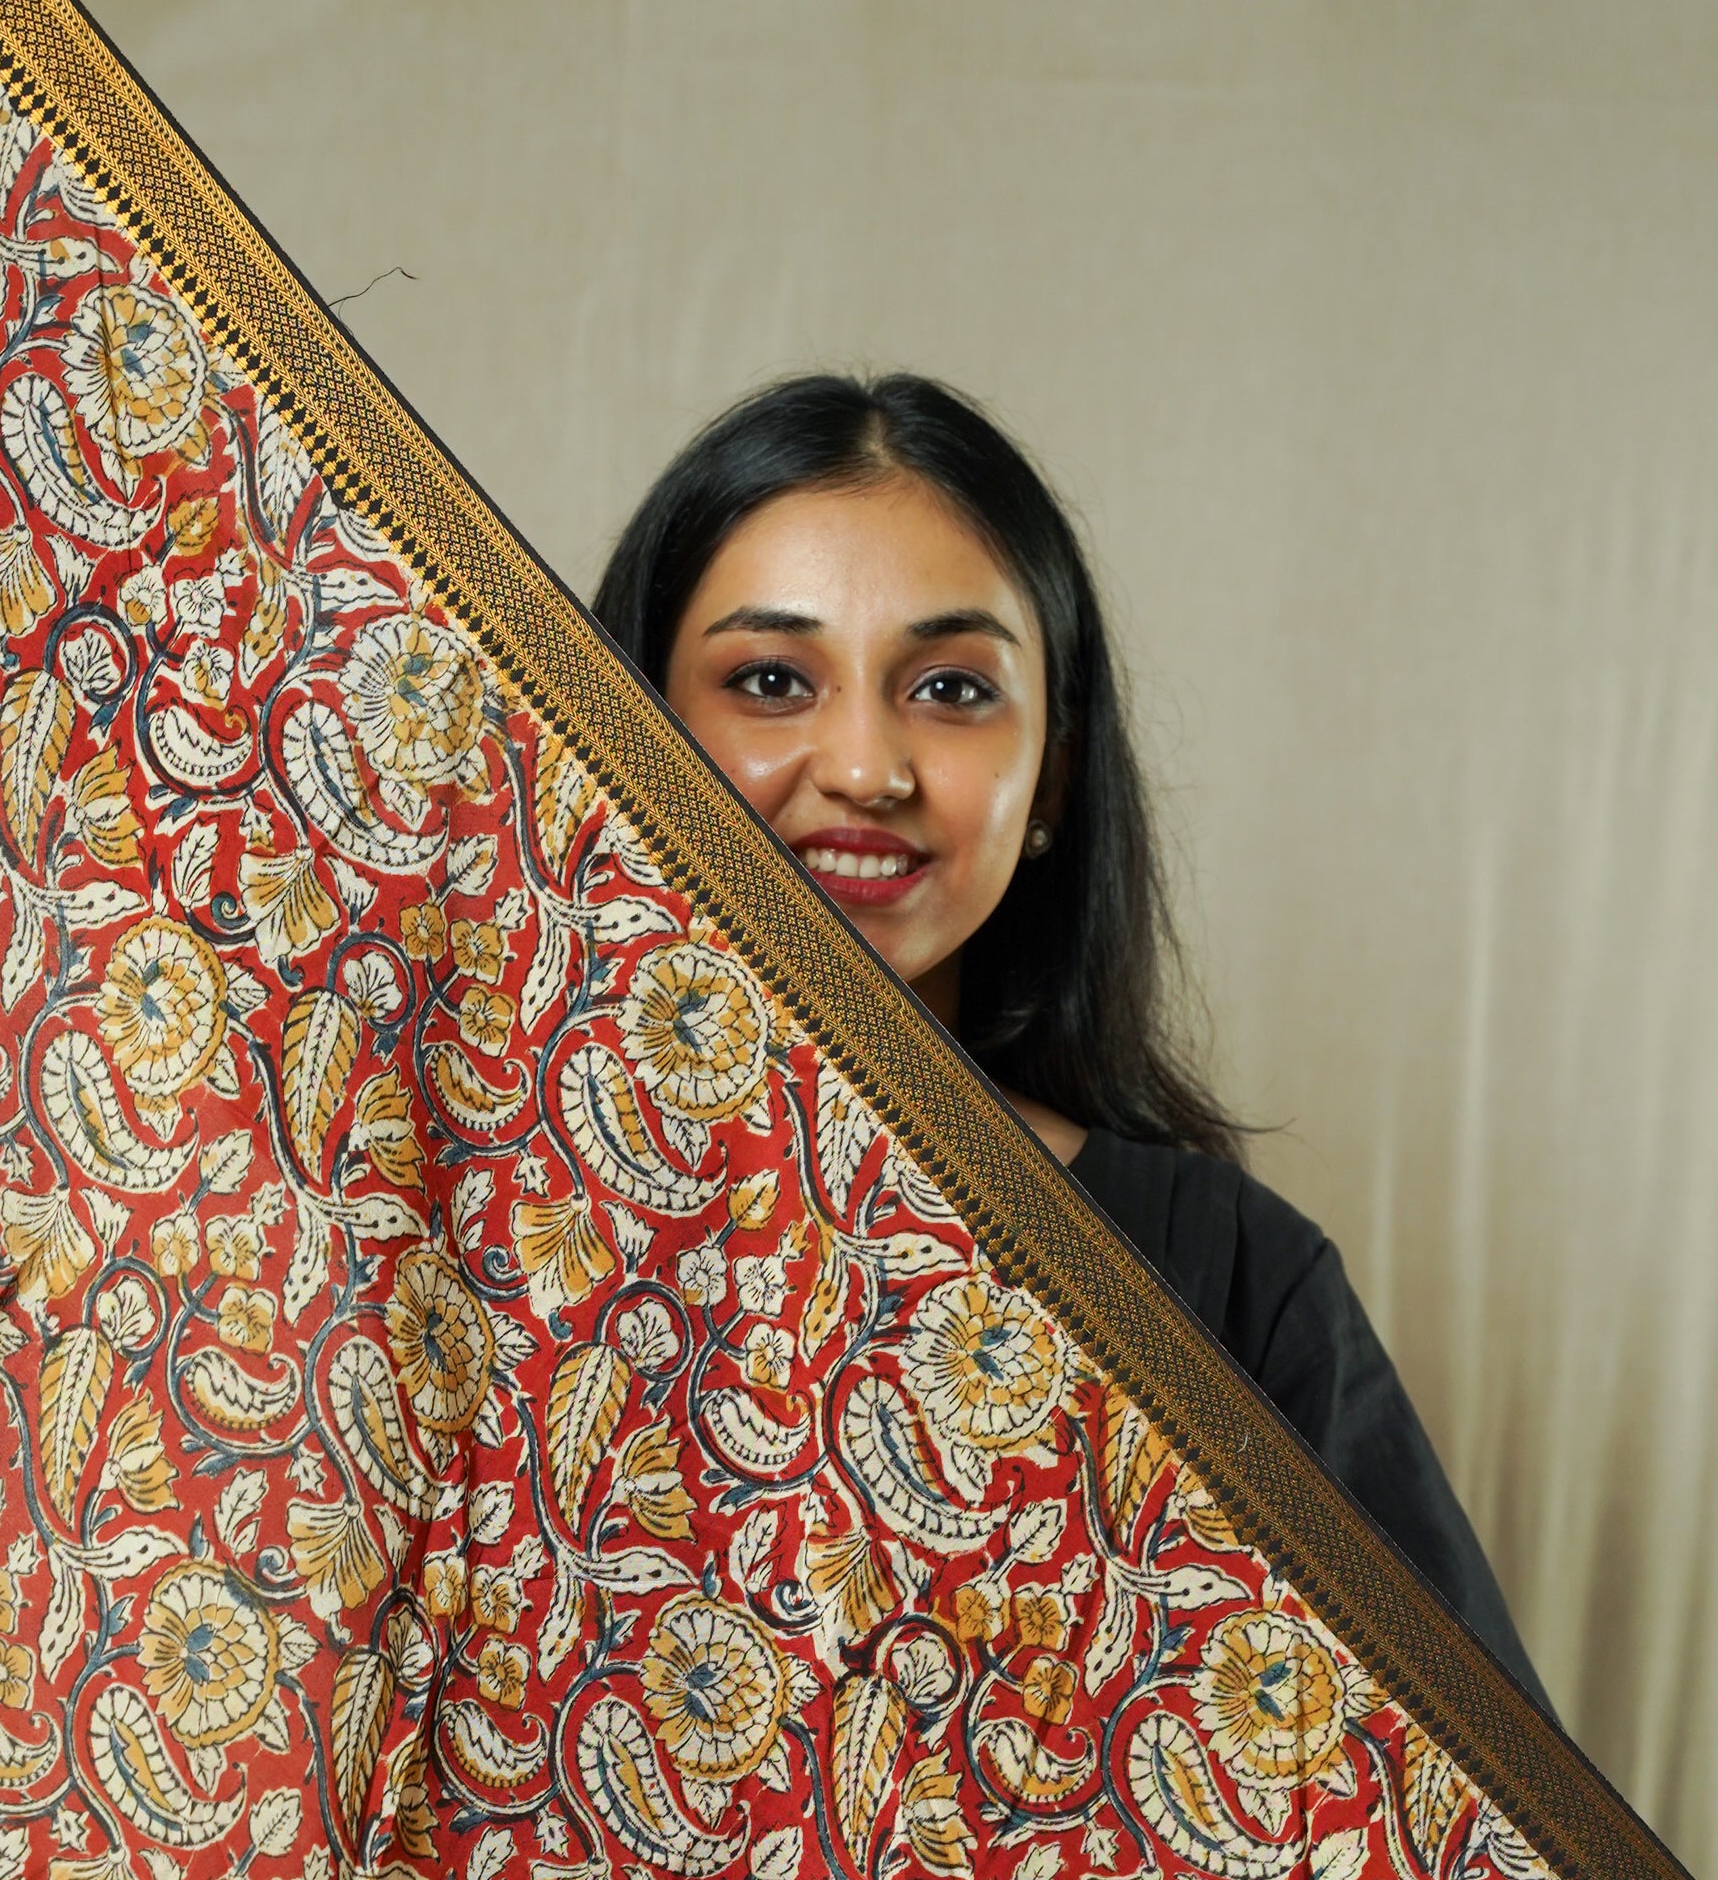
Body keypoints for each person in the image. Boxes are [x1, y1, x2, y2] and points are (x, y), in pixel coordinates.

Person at [594, 372, 1549, 1711]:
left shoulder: (1230, 1282)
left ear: (1053, 777)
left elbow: (1474, 1863)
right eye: (769, 679)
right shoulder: (467, 1215)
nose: (867, 765)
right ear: (622, 728)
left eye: (949, 687)